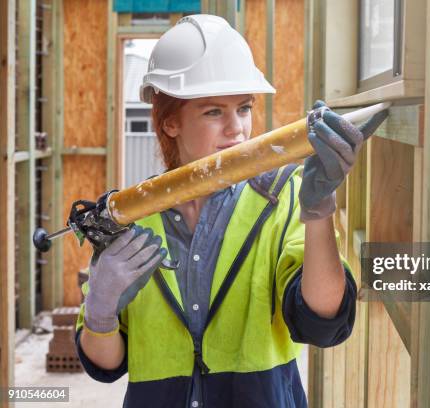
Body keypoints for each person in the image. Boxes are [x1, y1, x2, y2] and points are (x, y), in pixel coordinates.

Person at [74, 14, 387, 408]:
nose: (237, 129)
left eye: (244, 108)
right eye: (214, 112)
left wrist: (319, 211)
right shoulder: (127, 218)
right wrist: (100, 311)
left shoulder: (281, 198)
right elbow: (105, 365)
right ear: (170, 122)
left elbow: (322, 323)